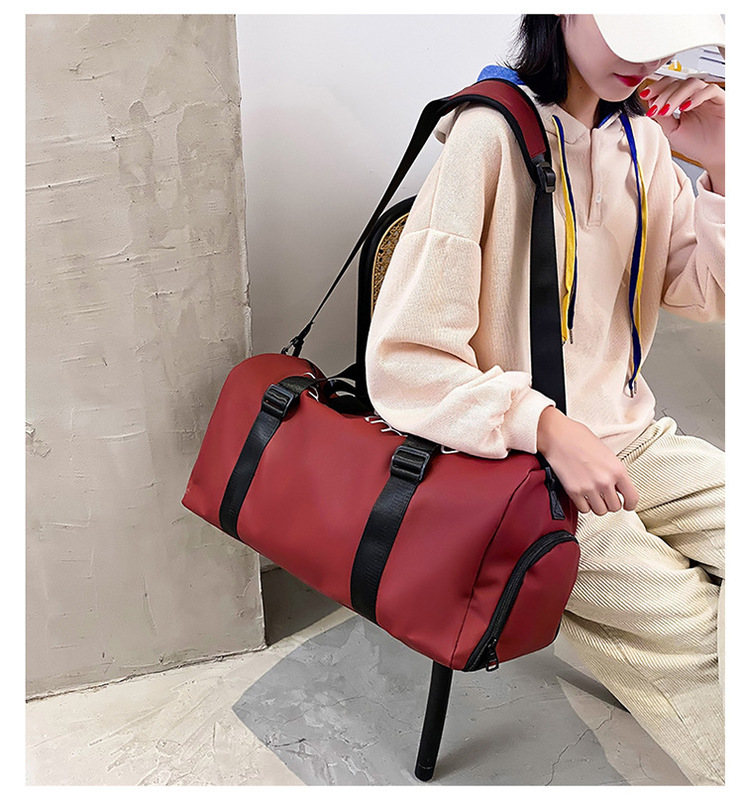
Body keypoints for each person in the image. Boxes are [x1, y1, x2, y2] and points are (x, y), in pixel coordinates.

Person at [364, 14, 725, 786]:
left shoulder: (645, 143)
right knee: (695, 634)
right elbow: (403, 362)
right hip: (520, 469)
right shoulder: (488, 137)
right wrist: (546, 425)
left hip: (637, 440)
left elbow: (704, 293)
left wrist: (725, 165)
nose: (643, 53)